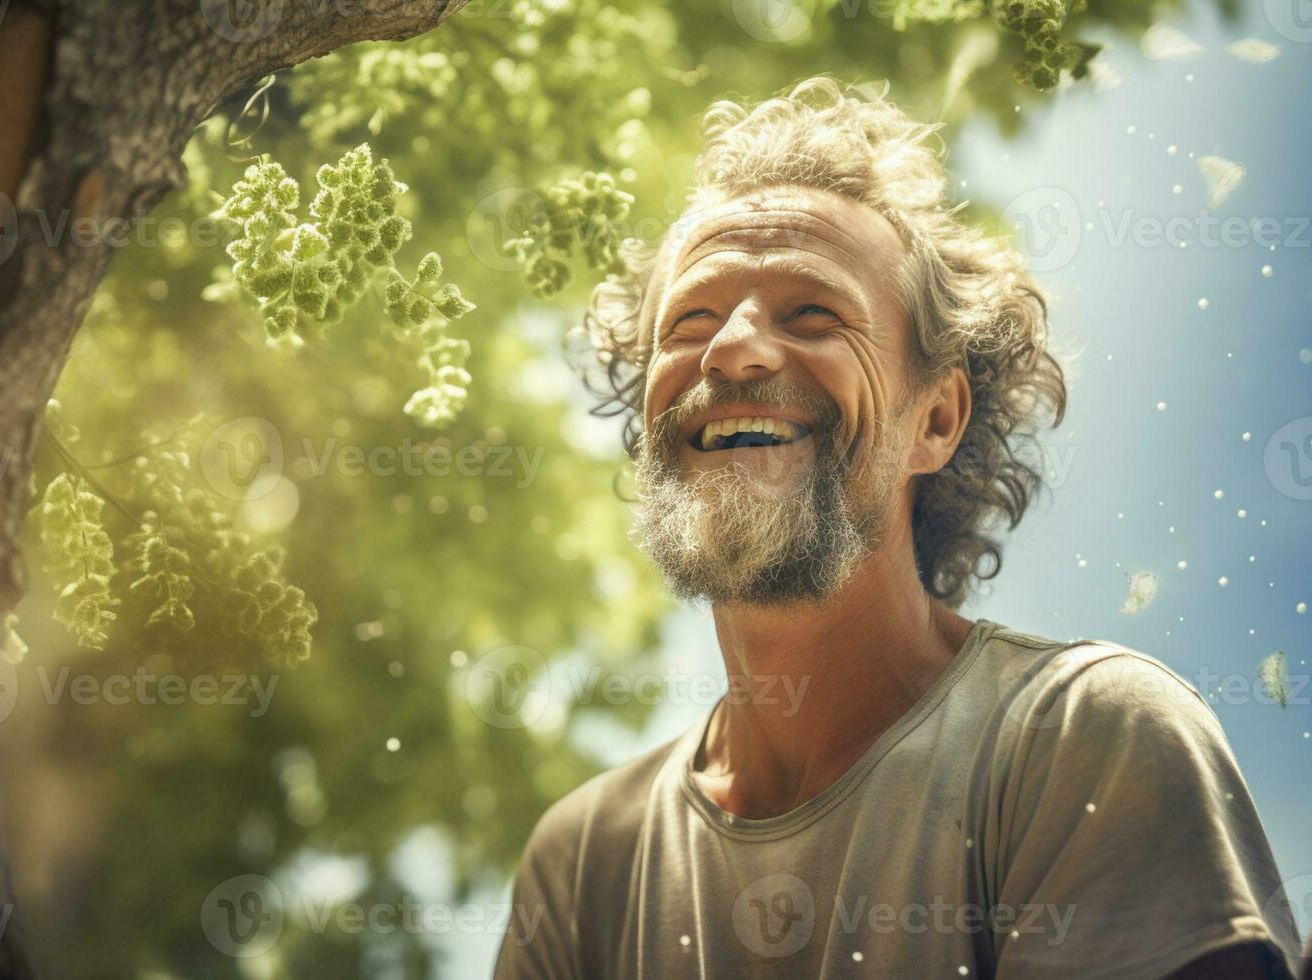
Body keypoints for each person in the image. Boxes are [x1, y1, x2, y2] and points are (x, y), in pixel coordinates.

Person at [492, 76, 1305, 978]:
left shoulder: (1085, 738)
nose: (730, 348)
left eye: (813, 313)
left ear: (937, 421)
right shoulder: (579, 865)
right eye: (690, 321)